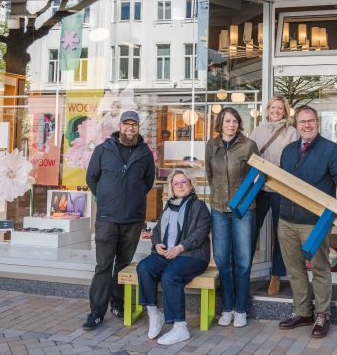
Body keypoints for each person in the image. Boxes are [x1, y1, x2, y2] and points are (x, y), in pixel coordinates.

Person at [277, 105, 337, 339]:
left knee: (319, 268)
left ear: (317, 123)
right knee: (294, 269)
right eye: (302, 122)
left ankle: (322, 314)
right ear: (296, 125)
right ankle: (302, 311)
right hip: (286, 220)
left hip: (315, 221)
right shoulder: (288, 150)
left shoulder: (331, 149)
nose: (306, 125)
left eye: (310, 121)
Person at [83, 110, 156, 330]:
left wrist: (131, 198)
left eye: (134, 125)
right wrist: (107, 198)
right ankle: (96, 312)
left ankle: (118, 304)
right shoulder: (103, 149)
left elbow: (148, 183)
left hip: (132, 219)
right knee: (103, 266)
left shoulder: (145, 153)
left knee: (123, 266)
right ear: (120, 126)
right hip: (107, 218)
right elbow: (91, 178)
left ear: (138, 128)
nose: (130, 128)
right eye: (127, 124)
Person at [137, 170, 211, 345]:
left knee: (170, 276)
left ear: (191, 184)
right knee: (144, 267)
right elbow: (156, 230)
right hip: (167, 254)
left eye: (183, 182)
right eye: (175, 183)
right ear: (171, 187)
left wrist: (180, 247)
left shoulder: (199, 206)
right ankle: (155, 315)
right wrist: (156, 244)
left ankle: (180, 328)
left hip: (192, 255)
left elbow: (201, 233)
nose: (179, 186)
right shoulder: (168, 205)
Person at [205, 107, 260, 328]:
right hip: (219, 209)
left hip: (244, 210)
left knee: (243, 261)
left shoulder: (248, 145)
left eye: (235, 121)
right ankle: (227, 308)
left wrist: (243, 199)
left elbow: (258, 175)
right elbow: (210, 175)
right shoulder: (212, 145)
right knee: (222, 260)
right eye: (228, 121)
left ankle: (241, 309)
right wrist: (220, 195)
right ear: (220, 123)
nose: (232, 124)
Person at [250, 95, 298, 295]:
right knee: (250, 230)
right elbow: (250, 157)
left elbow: (295, 160)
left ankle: (276, 274)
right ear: (267, 110)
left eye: (280, 108)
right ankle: (245, 270)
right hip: (260, 188)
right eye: (273, 108)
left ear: (285, 111)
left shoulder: (292, 132)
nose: (276, 111)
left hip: (281, 188)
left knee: (281, 233)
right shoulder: (257, 131)